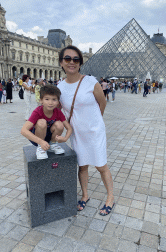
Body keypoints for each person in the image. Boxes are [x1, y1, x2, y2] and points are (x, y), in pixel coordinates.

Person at [58, 45, 114, 216]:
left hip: (94, 131)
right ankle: (85, 195)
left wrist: (96, 121)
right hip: (78, 134)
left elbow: (102, 102)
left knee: (101, 165)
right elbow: (59, 110)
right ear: (61, 62)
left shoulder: (90, 81)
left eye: (76, 59)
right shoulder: (60, 86)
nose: (72, 62)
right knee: (82, 166)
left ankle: (110, 197)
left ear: (80, 63)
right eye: (67, 59)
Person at [21, 85, 72, 160]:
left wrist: (65, 139)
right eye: (47, 99)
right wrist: (40, 142)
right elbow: (23, 130)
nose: (50, 103)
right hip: (37, 138)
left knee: (60, 124)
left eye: (54, 99)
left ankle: (53, 144)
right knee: (42, 122)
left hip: (50, 137)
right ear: (41, 100)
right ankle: (40, 148)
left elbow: (69, 128)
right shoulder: (37, 112)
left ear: (58, 101)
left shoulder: (57, 112)